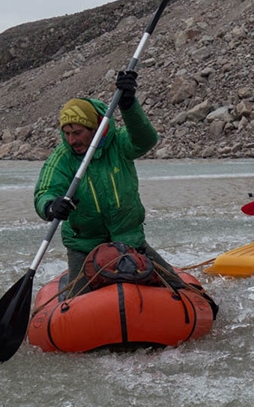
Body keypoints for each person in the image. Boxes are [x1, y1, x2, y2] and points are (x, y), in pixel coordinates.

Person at [34, 70, 184, 295]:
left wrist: (129, 105)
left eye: (77, 132)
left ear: (96, 129)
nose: (71, 140)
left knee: (178, 288)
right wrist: (51, 206)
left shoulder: (120, 143)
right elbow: (44, 191)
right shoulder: (62, 158)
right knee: (75, 305)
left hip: (129, 240)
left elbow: (146, 140)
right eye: (66, 133)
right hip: (84, 246)